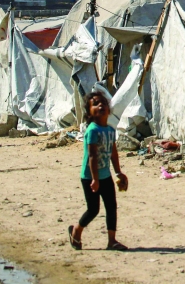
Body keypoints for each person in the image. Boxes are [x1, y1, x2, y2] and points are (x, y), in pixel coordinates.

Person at [69, 91, 128, 251]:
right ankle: (76, 230)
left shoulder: (110, 130)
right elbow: (92, 156)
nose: (100, 105)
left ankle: (112, 240)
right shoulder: (92, 131)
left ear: (109, 109)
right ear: (89, 112)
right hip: (89, 177)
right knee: (93, 209)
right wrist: (95, 179)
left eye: (103, 103)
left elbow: (113, 153)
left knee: (111, 206)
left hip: (105, 175)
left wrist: (118, 172)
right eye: (95, 103)